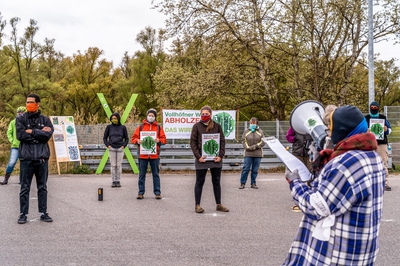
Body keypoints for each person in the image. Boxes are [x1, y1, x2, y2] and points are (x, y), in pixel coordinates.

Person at [283, 105, 385, 265]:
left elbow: (316, 208)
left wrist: (295, 183)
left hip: (338, 252)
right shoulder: (372, 156)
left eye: (331, 128)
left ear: (342, 130)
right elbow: (338, 192)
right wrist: (325, 161)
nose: (329, 133)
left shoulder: (345, 164)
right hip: (360, 249)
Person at [16, 93, 54, 224]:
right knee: (24, 187)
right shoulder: (20, 119)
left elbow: (47, 135)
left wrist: (32, 131)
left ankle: (43, 213)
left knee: (42, 187)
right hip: (26, 158)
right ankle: (23, 214)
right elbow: (20, 135)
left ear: (38, 104)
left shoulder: (45, 120)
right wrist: (39, 133)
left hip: (42, 158)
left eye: (30, 102)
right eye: (27, 102)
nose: (28, 105)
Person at [190, 105, 229, 213]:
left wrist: (220, 156)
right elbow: (193, 143)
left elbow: (222, 141)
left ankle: (219, 204)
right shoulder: (196, 126)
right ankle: (197, 205)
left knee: (216, 181)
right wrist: (198, 157)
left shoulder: (217, 126)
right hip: (202, 159)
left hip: (215, 159)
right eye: (203, 114)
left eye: (206, 114)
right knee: (199, 182)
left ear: (210, 115)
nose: (204, 116)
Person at [131, 108, 166, 200]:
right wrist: (137, 141)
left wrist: (159, 141)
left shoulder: (158, 128)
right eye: (149, 115)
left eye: (152, 115)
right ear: (146, 116)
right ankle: (140, 192)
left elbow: (164, 140)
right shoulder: (141, 127)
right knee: (142, 175)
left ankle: (157, 192)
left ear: (155, 117)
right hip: (142, 155)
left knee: (156, 174)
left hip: (155, 155)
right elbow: (133, 139)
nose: (151, 117)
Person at [365, 101, 392, 191]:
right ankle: (371, 184)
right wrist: (366, 131)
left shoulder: (383, 118)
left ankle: (385, 183)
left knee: (383, 164)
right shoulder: (366, 118)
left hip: (381, 144)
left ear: (378, 108)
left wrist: (386, 130)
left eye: (375, 107)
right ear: (369, 108)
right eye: (371, 107)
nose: (373, 109)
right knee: (369, 164)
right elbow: (361, 130)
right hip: (369, 144)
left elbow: (390, 129)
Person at [0, 106, 26, 185]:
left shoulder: (27, 122)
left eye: (22, 113)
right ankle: (6, 179)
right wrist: (12, 141)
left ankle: (22, 180)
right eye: (19, 113)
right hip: (15, 147)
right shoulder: (13, 122)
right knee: (11, 162)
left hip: (25, 146)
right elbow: (9, 133)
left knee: (24, 164)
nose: (20, 114)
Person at [103, 112, 128, 188]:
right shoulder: (109, 127)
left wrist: (123, 145)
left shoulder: (123, 127)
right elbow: (104, 138)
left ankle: (118, 180)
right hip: (112, 148)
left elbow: (126, 138)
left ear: (118, 119)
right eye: (112, 118)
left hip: (120, 148)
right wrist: (108, 145)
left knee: (118, 165)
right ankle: (114, 181)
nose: (114, 119)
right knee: (113, 165)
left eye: (115, 118)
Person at [239, 117, 265, 189]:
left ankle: (253, 183)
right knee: (246, 168)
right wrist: (248, 148)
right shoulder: (246, 131)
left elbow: (263, 141)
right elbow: (243, 141)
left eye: (254, 123)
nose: (252, 124)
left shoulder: (260, 132)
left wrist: (256, 146)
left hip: (258, 153)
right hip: (248, 153)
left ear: (257, 124)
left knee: (255, 169)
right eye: (251, 123)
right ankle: (242, 183)